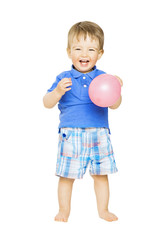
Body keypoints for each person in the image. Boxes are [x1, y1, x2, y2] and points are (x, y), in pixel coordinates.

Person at [43, 21, 123, 222]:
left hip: (99, 133)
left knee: (101, 174)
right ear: (69, 51)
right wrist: (58, 91)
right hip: (71, 133)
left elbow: (115, 105)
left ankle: (103, 210)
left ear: (100, 54)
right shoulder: (64, 77)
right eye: (78, 48)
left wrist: (116, 89)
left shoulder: (103, 77)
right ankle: (64, 211)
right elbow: (46, 102)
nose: (84, 54)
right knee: (66, 176)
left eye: (91, 49)